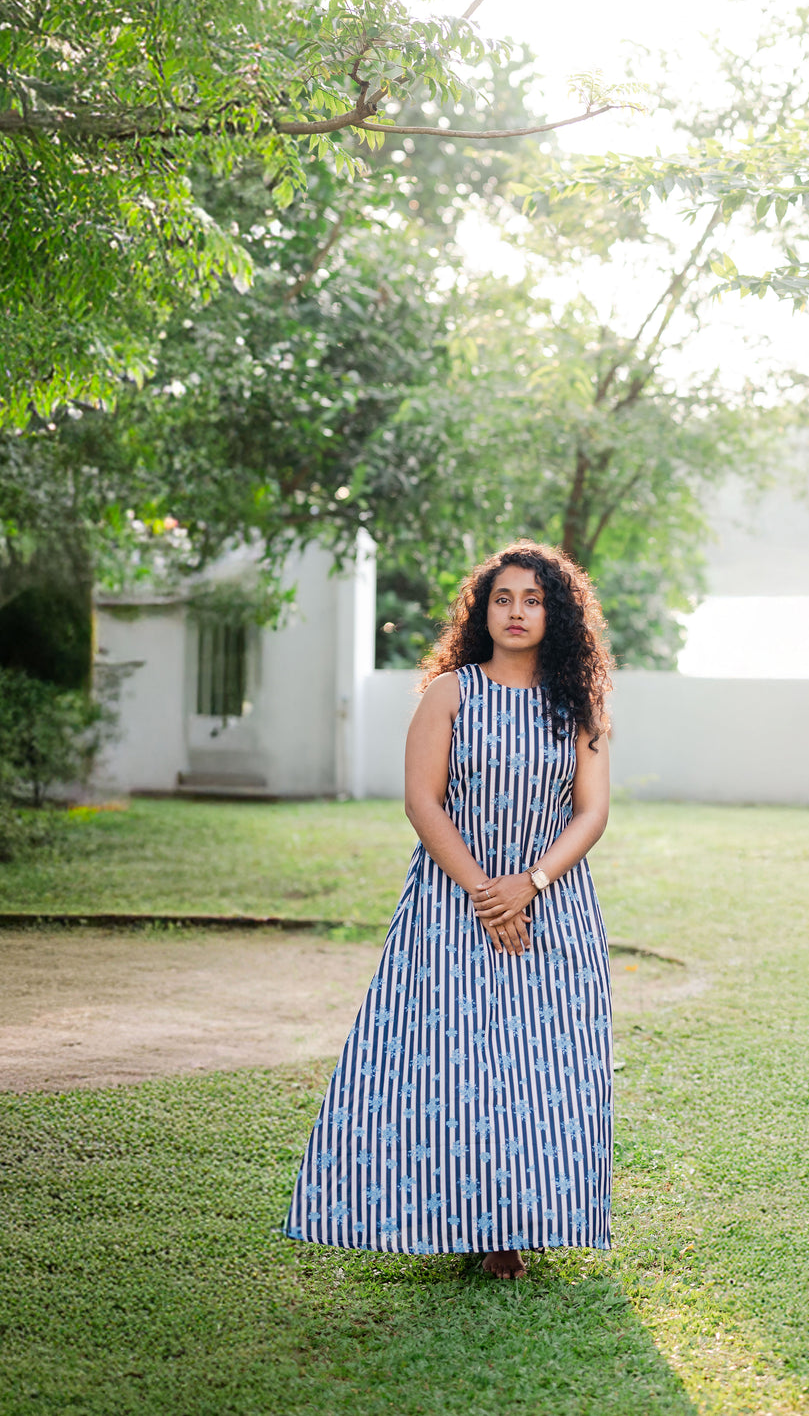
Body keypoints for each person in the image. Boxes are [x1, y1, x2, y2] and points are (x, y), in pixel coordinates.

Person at [284, 538, 615, 1278]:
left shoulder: (578, 704)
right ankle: (468, 1220)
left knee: (541, 1066)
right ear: (483, 610)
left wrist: (527, 884)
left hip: (551, 907)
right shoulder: (451, 693)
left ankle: (519, 1222)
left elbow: (592, 814)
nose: (518, 611)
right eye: (503, 598)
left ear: (556, 613)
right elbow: (421, 801)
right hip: (450, 904)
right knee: (458, 1067)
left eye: (533, 599)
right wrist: (484, 893)